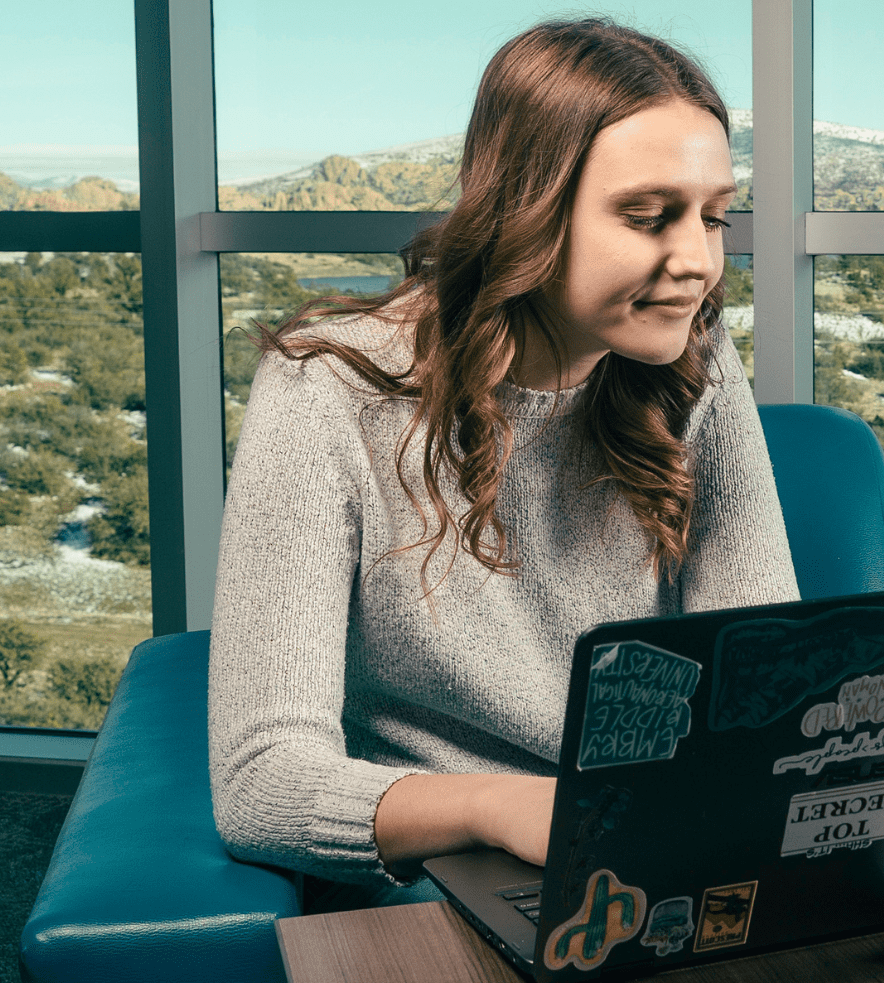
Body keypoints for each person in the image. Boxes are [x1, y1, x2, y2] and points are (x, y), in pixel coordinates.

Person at [207, 19, 799, 913]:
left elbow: (763, 679)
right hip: (446, 870)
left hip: (655, 847)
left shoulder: (695, 363)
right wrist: (505, 807)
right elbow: (263, 785)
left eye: (715, 218)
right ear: (527, 211)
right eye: (648, 218)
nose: (699, 264)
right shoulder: (326, 387)